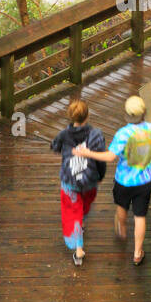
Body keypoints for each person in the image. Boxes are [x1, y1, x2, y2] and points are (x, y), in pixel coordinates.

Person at [74, 95, 151, 267]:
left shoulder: (123, 134)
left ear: (127, 114)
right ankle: (137, 253)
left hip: (124, 181)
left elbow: (110, 156)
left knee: (122, 206)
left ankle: (122, 228)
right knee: (140, 216)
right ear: (143, 113)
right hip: (144, 180)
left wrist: (87, 153)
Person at [50, 98, 106, 267]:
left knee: (72, 212)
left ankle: (78, 247)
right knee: (84, 206)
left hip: (70, 180)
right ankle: (81, 228)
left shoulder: (64, 134)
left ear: (71, 117)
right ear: (87, 116)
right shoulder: (96, 134)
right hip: (89, 180)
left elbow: (54, 146)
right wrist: (100, 175)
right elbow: (101, 159)